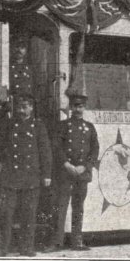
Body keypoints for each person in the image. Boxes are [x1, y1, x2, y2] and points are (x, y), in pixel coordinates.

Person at [0, 93, 51, 257]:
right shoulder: (9, 125)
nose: (22, 110)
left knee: (29, 214)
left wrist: (47, 175)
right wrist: (10, 162)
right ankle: (1, 248)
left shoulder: (38, 126)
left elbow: (45, 152)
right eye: (19, 106)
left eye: (25, 106)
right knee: (5, 214)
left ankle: (26, 248)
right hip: (11, 176)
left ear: (31, 108)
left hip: (31, 177)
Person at [46, 93, 100, 252]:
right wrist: (66, 164)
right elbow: (56, 147)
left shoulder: (89, 127)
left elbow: (95, 149)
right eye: (75, 106)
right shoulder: (62, 126)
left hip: (82, 174)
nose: (78, 109)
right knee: (60, 207)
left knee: (78, 207)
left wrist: (86, 166)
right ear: (71, 107)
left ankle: (77, 241)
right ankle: (56, 242)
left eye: (81, 106)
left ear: (84, 108)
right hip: (65, 173)